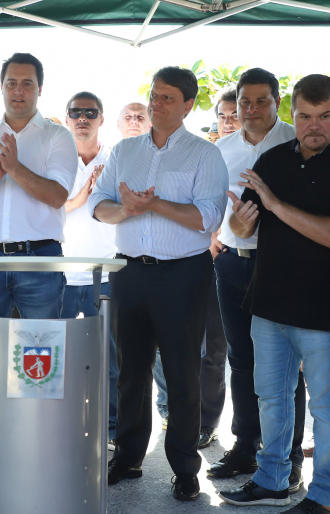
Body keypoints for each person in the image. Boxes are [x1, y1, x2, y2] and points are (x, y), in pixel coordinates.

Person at [219, 74, 330, 514]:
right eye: (305, 116)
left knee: (327, 407)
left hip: (325, 308)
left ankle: (325, 496)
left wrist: (274, 206)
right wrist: (243, 223)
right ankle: (272, 479)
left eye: (324, 116)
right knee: (271, 397)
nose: (314, 126)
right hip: (269, 302)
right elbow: (240, 226)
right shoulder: (271, 161)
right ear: (293, 113)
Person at [91, 66, 228, 502]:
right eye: (154, 95)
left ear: (188, 105)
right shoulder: (124, 150)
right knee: (130, 371)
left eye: (168, 97)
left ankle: (185, 468)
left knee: (182, 375)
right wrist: (127, 211)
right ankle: (128, 457)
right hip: (129, 272)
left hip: (182, 275)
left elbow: (208, 217)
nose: (156, 104)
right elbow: (98, 205)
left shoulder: (204, 154)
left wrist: (155, 205)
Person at [208, 68, 306, 494]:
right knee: (240, 358)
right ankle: (245, 445)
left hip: (279, 266)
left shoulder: (295, 142)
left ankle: (290, 455)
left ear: (277, 101)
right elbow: (210, 203)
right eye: (245, 101)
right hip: (231, 263)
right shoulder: (221, 148)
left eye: (261, 101)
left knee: (287, 365)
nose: (251, 110)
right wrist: (219, 237)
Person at [0, 53, 76, 319]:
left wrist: (15, 169)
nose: (18, 90)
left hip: (40, 259)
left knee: (39, 354)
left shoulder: (58, 136)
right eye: (11, 83)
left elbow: (57, 196)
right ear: (1, 87)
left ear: (40, 89)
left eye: (27, 83)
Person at [59, 91, 117, 444]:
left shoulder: (116, 159)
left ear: (101, 119)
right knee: (62, 359)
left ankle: (111, 428)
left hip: (106, 275)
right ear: (66, 119)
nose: (83, 118)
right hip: (60, 275)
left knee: (110, 362)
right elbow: (44, 210)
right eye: (75, 112)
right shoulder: (55, 160)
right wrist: (79, 200)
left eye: (90, 112)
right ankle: (63, 426)